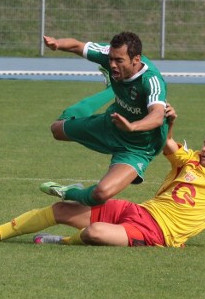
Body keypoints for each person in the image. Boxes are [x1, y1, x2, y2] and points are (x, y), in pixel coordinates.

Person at [0, 105, 205, 251]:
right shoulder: (189, 162)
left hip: (156, 234)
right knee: (62, 208)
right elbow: (165, 143)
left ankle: (61, 243)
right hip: (138, 211)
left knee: (93, 233)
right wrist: (166, 119)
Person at [39, 32, 168, 207]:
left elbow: (157, 116)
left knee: (101, 193)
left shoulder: (151, 80)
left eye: (119, 61)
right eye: (111, 60)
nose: (112, 64)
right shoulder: (108, 55)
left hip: (137, 147)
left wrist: (132, 126)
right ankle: (109, 89)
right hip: (111, 124)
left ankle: (67, 191)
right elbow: (77, 45)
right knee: (56, 130)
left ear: (136, 59)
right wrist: (57, 44)